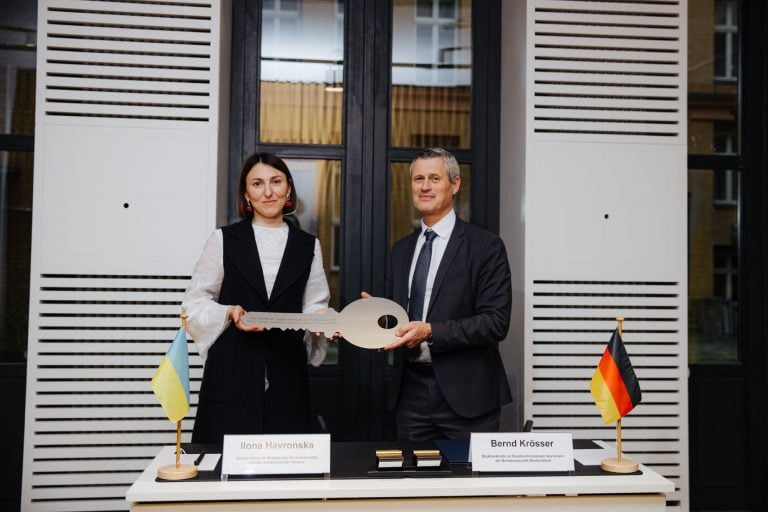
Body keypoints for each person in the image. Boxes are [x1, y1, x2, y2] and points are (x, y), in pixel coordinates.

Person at [183, 152, 331, 443]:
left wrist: (324, 323)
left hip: (287, 375)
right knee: (223, 464)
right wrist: (229, 312)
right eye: (257, 184)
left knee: (284, 464)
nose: (268, 192)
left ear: (288, 188)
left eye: (276, 182)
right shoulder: (223, 239)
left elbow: (315, 305)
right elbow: (193, 304)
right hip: (232, 375)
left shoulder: (308, 245)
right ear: (246, 194)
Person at [382, 147, 512, 441]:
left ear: (455, 184)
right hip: (410, 395)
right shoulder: (401, 250)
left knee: (468, 472)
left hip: (469, 396)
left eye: (434, 178)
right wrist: (375, 317)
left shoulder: (485, 247)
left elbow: (495, 322)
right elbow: (400, 320)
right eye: (418, 179)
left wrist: (430, 331)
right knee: (414, 471)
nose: (424, 187)